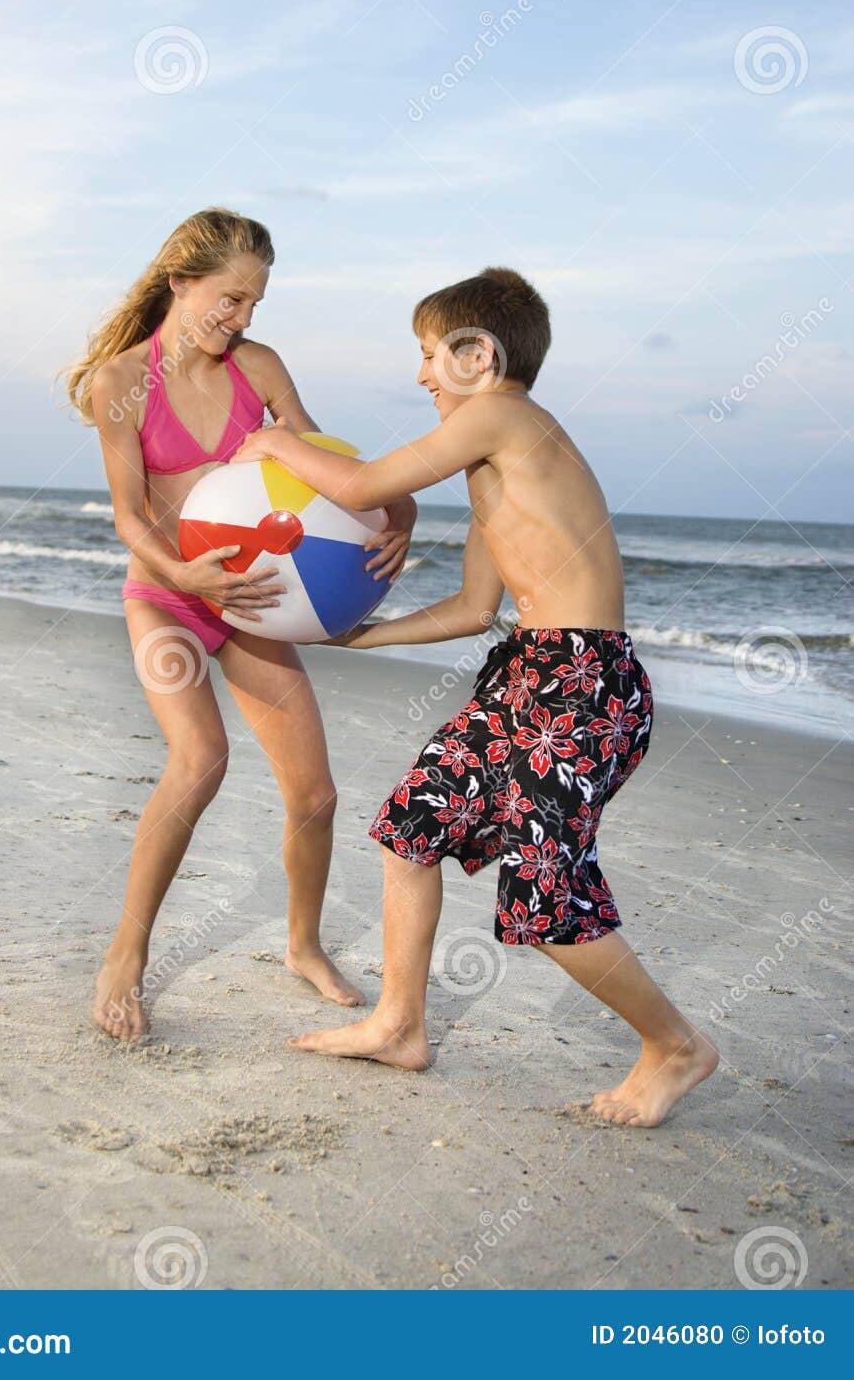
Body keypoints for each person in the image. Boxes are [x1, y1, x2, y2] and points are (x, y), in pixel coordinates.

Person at [231, 266, 718, 1127]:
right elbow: (470, 609)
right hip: (527, 673)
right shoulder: (493, 460)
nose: (420, 374)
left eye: (429, 353)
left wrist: (274, 443)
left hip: (583, 689)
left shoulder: (503, 417)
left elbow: (362, 486)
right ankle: (398, 1025)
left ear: (477, 355)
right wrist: (353, 637)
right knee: (410, 829)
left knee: (547, 897)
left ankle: (674, 1045)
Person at [64, 208, 416, 1043]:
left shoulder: (258, 367)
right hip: (171, 596)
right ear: (180, 282)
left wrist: (396, 515)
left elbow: (330, 471)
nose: (242, 318)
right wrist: (184, 575)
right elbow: (128, 517)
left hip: (259, 602)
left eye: (255, 302)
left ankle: (302, 946)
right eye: (230, 299)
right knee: (200, 759)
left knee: (315, 794)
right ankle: (125, 957)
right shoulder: (121, 381)